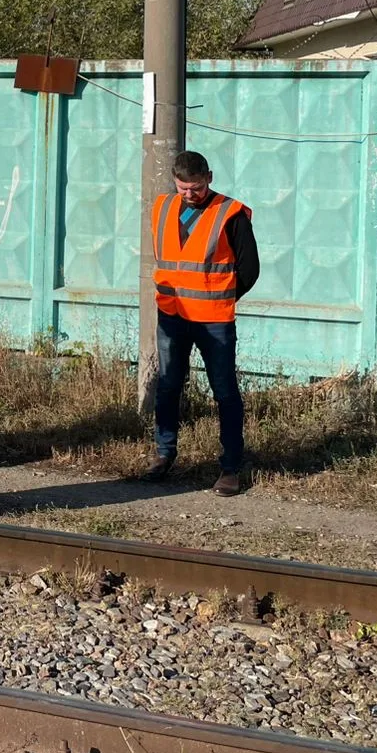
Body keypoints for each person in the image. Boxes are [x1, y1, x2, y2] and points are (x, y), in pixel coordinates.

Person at [141, 149, 259, 497]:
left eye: (196, 187)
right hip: (172, 316)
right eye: (184, 188)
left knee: (224, 392)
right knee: (168, 386)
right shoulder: (162, 207)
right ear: (175, 182)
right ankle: (164, 454)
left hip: (214, 321)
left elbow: (249, 270)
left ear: (209, 177)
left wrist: (218, 297)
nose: (190, 194)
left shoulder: (231, 213)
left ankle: (231, 468)